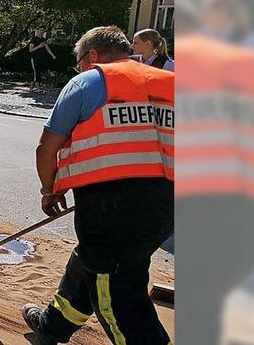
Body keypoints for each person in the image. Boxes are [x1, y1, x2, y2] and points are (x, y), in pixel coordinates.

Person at [22, 26, 174, 345]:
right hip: (164, 208)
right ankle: (52, 326)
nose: (78, 68)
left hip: (109, 211)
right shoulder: (171, 84)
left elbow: (46, 148)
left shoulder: (89, 81)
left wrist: (50, 190)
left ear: (92, 56)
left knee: (120, 299)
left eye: (79, 61)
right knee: (93, 263)